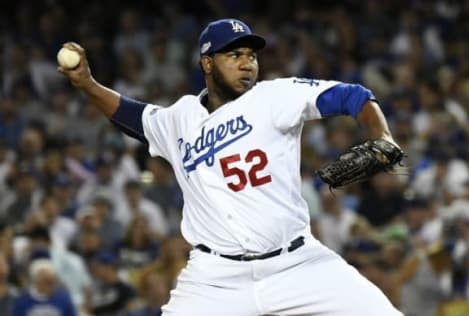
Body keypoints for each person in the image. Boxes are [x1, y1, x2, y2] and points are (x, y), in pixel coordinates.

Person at [59, 18, 403, 316]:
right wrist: (88, 84)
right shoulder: (180, 118)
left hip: (296, 263)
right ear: (207, 63)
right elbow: (133, 117)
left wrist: (382, 135)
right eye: (234, 55)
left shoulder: (273, 97)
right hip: (214, 277)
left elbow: (353, 96)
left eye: (251, 55)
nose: (247, 63)